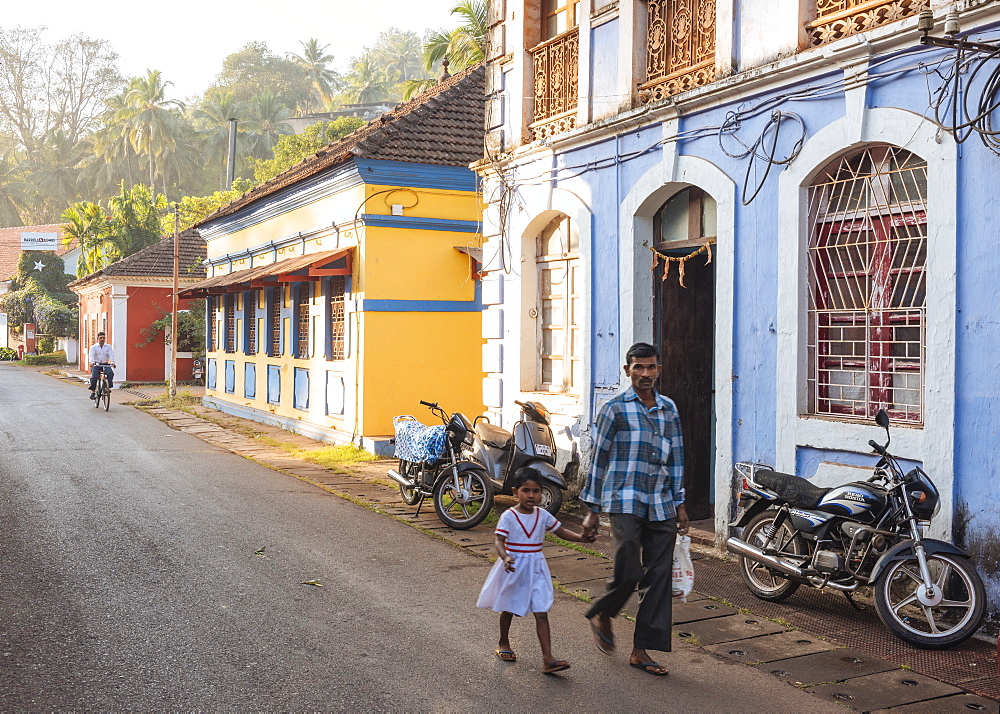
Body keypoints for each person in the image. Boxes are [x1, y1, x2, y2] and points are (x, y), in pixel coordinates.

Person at [580, 341, 689, 677]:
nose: (645, 374)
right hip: (624, 500)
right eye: (638, 367)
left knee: (658, 579)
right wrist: (592, 509)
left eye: (651, 367)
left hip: (661, 503)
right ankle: (602, 613)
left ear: (659, 369)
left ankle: (641, 651)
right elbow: (599, 459)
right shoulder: (614, 409)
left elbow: (677, 459)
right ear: (627, 370)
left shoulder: (669, 408)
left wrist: (680, 502)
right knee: (629, 570)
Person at [476, 467, 595, 674]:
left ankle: (548, 659)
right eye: (526, 490)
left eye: (536, 491)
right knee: (509, 607)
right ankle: (503, 642)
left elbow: (561, 532)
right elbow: (499, 540)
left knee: (541, 612)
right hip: (514, 567)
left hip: (537, 569)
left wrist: (582, 538)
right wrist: (505, 557)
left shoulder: (543, 515)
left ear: (542, 492)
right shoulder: (509, 516)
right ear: (515, 492)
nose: (531, 495)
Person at [87, 332, 116, 400]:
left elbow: (111, 355)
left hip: (105, 364)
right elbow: (91, 356)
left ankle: (107, 387)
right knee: (94, 377)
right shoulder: (93, 347)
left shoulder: (108, 347)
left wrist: (112, 362)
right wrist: (92, 362)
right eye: (101, 338)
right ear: (98, 338)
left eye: (103, 338)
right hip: (96, 364)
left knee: (110, 373)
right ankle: (93, 392)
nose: (102, 339)